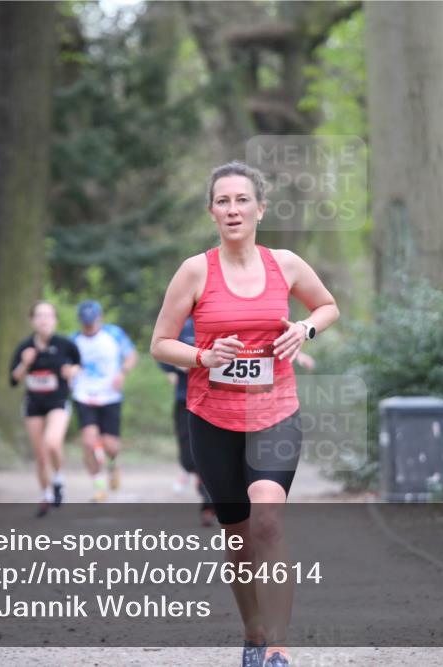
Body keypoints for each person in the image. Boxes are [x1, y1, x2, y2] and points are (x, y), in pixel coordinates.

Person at [150, 161, 339, 667]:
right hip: (212, 418)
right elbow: (160, 344)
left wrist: (306, 330)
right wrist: (203, 357)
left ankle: (278, 646)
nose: (233, 209)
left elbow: (326, 306)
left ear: (261, 207)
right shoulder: (195, 271)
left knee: (268, 520)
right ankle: (254, 632)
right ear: (211, 211)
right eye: (223, 201)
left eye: (241, 200)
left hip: (275, 410)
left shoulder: (287, 264)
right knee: (237, 536)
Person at [9, 301, 81, 518]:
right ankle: (45, 495)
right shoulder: (24, 347)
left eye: (48, 316)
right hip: (33, 405)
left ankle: (58, 478)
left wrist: (72, 372)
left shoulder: (65, 344)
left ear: (55, 320)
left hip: (58, 402)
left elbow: (78, 365)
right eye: (39, 316)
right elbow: (13, 379)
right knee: (40, 455)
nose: (43, 320)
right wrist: (24, 364)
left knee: (52, 443)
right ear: (32, 320)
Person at [71, 300, 137, 501]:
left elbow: (131, 355)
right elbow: (64, 366)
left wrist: (122, 373)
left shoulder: (114, 334)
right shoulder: (73, 340)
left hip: (110, 396)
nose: (90, 325)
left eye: (93, 321)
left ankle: (113, 464)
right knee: (89, 441)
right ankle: (98, 485)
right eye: (86, 322)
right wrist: (69, 371)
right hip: (84, 394)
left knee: (111, 446)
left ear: (100, 318)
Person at [156, 315, 217, 526]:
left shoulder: (221, 321)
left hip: (216, 398)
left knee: (210, 453)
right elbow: (162, 354)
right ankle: (207, 490)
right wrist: (178, 364)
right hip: (185, 398)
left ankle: (210, 503)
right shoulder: (182, 325)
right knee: (188, 458)